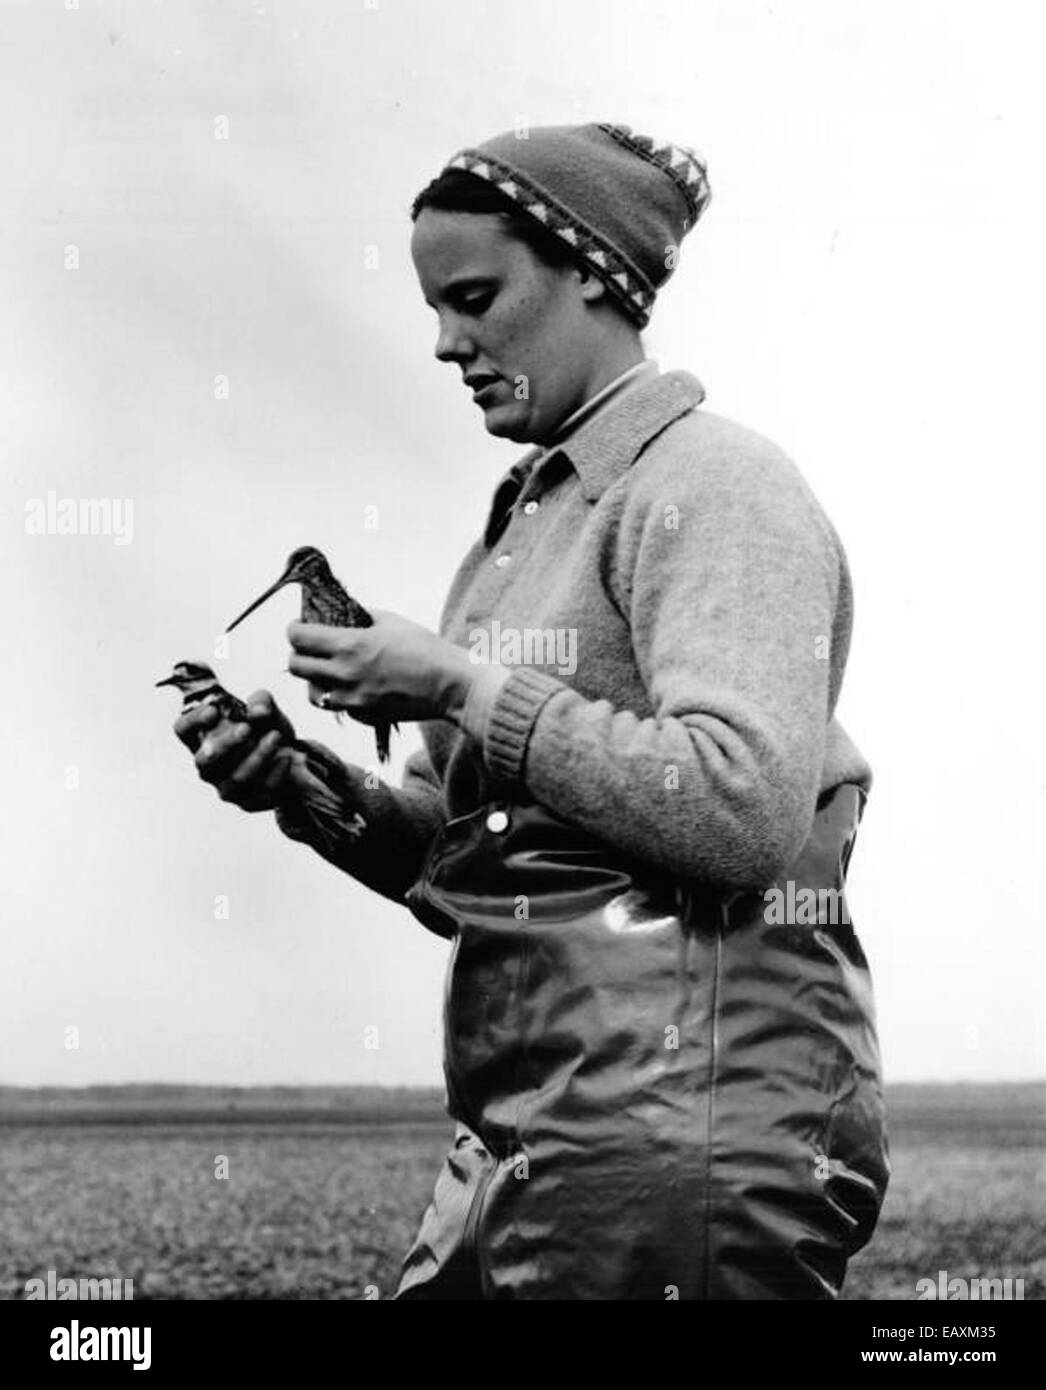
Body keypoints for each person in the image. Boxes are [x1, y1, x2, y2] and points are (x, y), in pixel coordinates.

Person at [173, 122, 889, 1300]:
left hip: (680, 1160)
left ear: (593, 273)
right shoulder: (515, 532)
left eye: (473, 297)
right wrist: (299, 785)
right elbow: (461, 870)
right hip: (518, 1142)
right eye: (433, 311)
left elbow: (744, 813)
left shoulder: (716, 485)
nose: (448, 344)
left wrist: (461, 686)